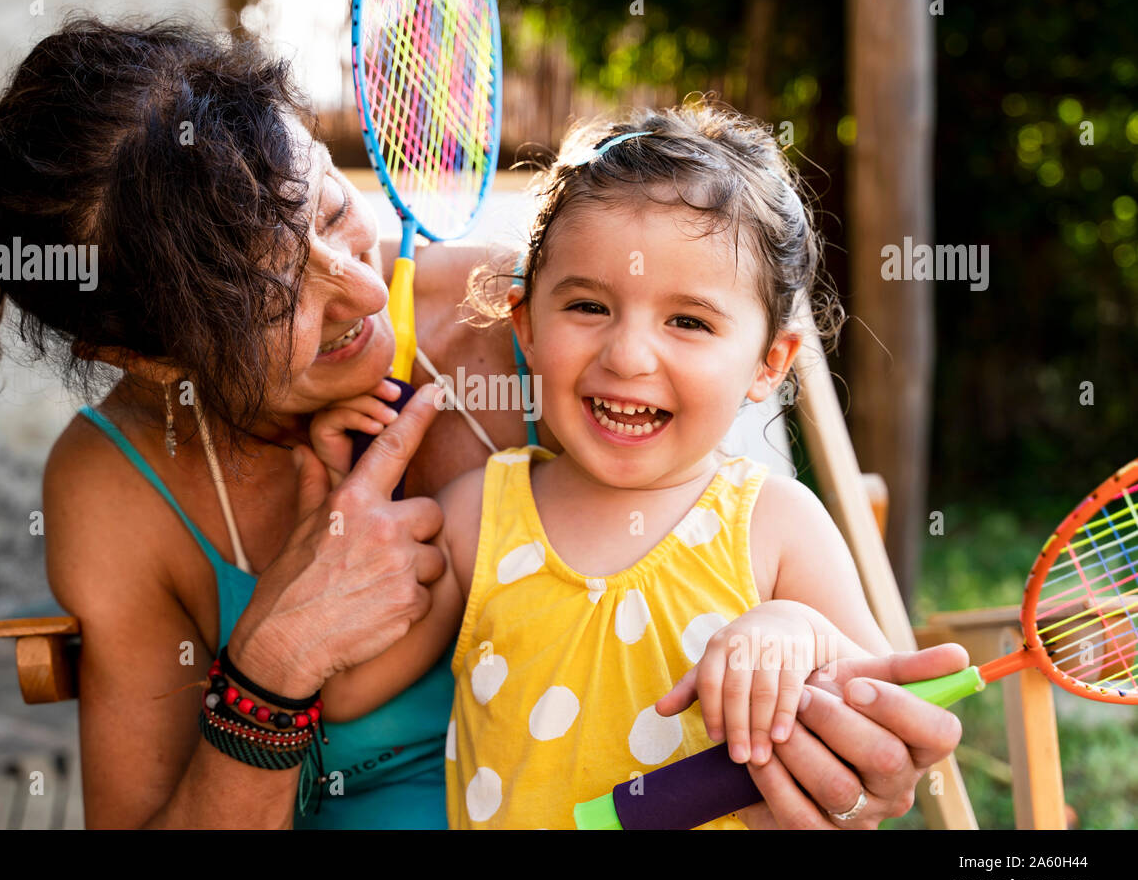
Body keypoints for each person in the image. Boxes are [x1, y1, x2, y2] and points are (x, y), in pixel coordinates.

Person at [0, 14, 963, 829]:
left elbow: (761, 595)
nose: (354, 290)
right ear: (142, 358)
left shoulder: (561, 325)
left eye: (335, 213)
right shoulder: (120, 487)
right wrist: (275, 656)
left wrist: (835, 728)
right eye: (271, 298)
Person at [309, 103, 963, 829]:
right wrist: (344, 501)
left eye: (688, 321)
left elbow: (884, 729)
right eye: (588, 305)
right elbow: (344, 691)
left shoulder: (778, 527)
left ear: (768, 363)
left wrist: (798, 631)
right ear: (525, 327)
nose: (626, 356)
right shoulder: (477, 515)